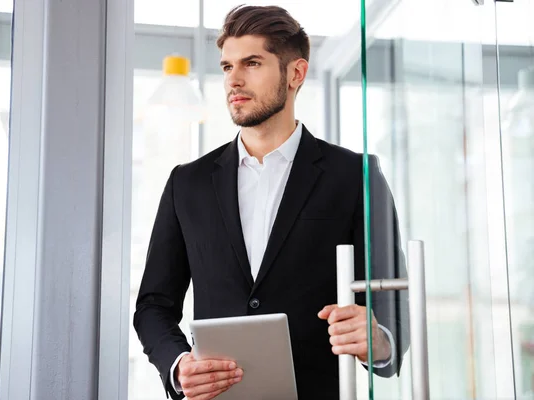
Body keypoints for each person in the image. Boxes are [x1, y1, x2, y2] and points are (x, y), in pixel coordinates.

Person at [134, 5, 409, 399]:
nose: (234, 80)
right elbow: (153, 305)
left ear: (296, 73)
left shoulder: (356, 176)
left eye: (252, 63)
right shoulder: (186, 183)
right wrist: (178, 366)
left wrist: (378, 341)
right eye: (227, 66)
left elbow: (392, 305)